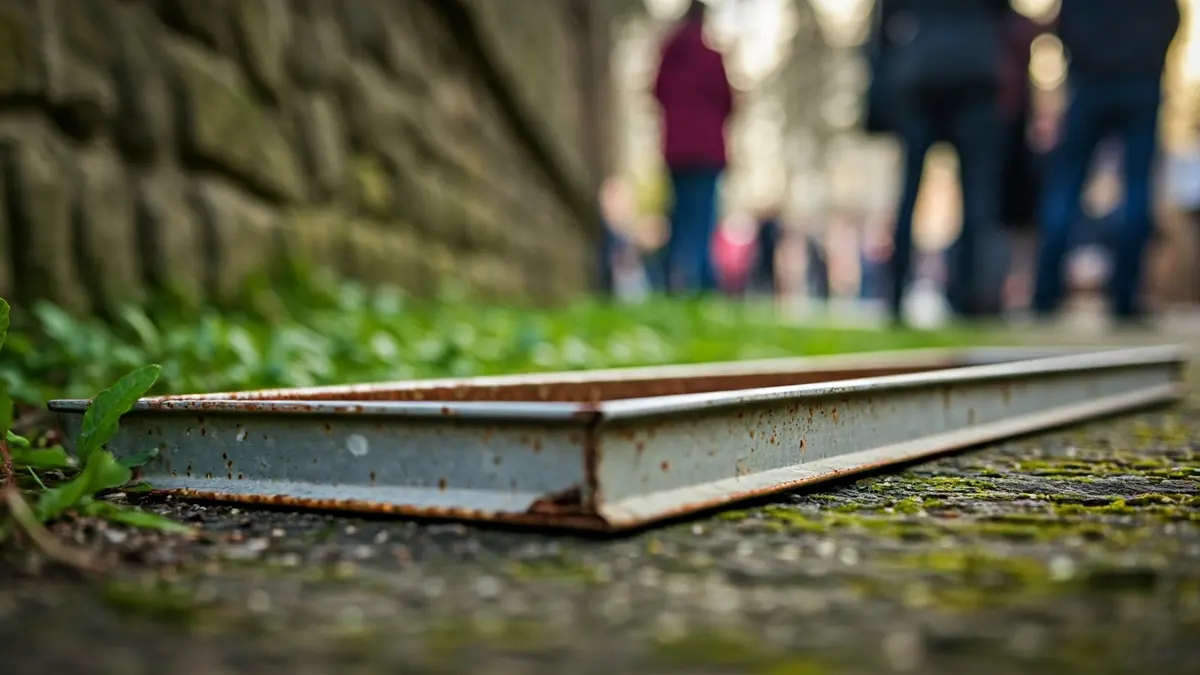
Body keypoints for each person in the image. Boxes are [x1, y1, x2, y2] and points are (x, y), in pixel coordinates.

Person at [1031, 0, 1181, 323]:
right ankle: (1125, 295)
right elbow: (1171, 17)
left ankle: (1045, 292)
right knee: (1136, 188)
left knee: (1066, 185)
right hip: (1138, 79)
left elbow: (1064, 20)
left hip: (1092, 80)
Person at [868, 0, 1012, 325]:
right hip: (971, 69)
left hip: (923, 68)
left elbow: (884, 23)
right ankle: (969, 296)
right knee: (976, 195)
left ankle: (895, 292)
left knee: (910, 191)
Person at [652, 0, 735, 295]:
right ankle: (699, 282)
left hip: (676, 149)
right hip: (707, 151)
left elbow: (657, 92)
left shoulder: (670, 55)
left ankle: (675, 280)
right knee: (702, 218)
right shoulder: (711, 59)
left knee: (680, 214)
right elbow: (728, 103)